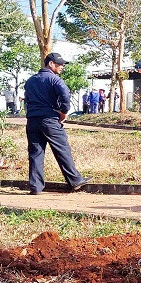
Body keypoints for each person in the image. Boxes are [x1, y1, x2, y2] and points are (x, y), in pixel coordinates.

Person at [23, 53, 89, 195]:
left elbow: (26, 99)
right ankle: (75, 180)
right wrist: (64, 111)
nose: (62, 67)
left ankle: (35, 187)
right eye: (60, 64)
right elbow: (65, 95)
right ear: (51, 64)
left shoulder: (30, 81)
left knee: (36, 153)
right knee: (62, 149)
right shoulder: (55, 80)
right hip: (50, 120)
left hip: (32, 121)